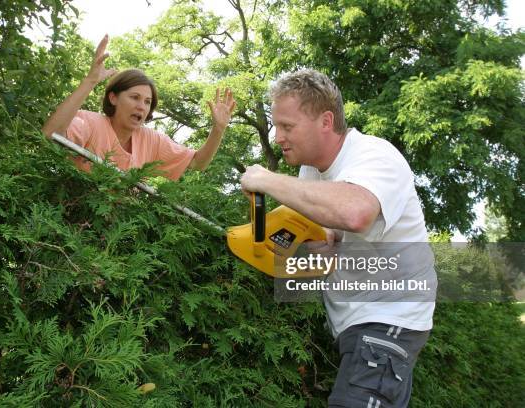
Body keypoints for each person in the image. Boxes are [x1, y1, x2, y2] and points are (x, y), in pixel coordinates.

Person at [240, 69, 436, 408]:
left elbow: (355, 212)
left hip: (390, 317)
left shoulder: (375, 156)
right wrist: (275, 244)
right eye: (276, 126)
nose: (278, 136)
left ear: (326, 121)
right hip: (358, 324)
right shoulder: (311, 172)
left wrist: (266, 180)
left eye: (287, 126)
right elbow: (325, 243)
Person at [42, 34, 236, 180]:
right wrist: (90, 81)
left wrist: (218, 129)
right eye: (135, 97)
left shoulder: (152, 140)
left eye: (147, 102)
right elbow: (50, 135)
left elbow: (196, 163)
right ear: (113, 98)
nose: (142, 107)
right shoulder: (89, 123)